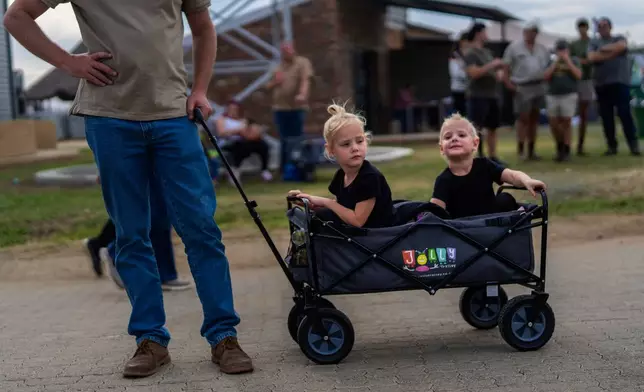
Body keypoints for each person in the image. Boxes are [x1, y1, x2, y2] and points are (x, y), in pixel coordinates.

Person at [4, 0, 253, 378]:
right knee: (131, 234)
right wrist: (70, 63)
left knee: (202, 229)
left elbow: (203, 27)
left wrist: (200, 89)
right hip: (109, 119)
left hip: (174, 115)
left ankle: (224, 336)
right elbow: (16, 16)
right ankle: (150, 341)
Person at [288, 103, 394, 229]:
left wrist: (327, 202)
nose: (355, 148)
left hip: (380, 238)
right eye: (346, 144)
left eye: (359, 141)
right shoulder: (341, 176)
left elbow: (357, 221)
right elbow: (341, 211)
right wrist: (308, 202)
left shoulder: (370, 177)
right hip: (359, 239)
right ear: (331, 150)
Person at [430, 113, 547, 219]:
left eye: (461, 135)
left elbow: (511, 175)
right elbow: (434, 213)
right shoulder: (443, 180)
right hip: (464, 234)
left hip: (493, 230)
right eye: (448, 137)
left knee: (505, 199)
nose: (454, 139)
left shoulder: (484, 165)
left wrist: (527, 180)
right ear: (441, 149)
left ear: (475, 144)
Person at [588, 17, 640, 156]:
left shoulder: (619, 37)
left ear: (610, 27)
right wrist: (614, 53)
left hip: (620, 82)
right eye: (600, 26)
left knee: (625, 114)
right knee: (607, 117)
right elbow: (592, 57)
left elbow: (622, 46)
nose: (602, 28)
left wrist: (603, 50)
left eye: (605, 25)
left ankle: (633, 146)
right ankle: (612, 146)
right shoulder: (594, 42)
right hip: (602, 84)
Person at [502, 21, 551, 161]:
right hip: (522, 86)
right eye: (530, 31)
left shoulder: (542, 48)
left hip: (539, 85)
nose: (532, 34)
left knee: (534, 118)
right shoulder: (514, 47)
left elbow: (548, 66)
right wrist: (508, 83)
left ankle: (532, 149)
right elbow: (506, 66)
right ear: (525, 32)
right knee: (523, 118)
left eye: (535, 31)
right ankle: (521, 149)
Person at [265, 41, 314, 173]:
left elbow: (305, 80)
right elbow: (267, 87)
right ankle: (285, 168)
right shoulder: (278, 67)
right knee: (283, 139)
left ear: (293, 50)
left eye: (289, 50)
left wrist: (302, 95)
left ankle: (299, 166)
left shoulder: (302, 63)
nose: (287, 53)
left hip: (296, 108)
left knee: (297, 138)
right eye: (284, 51)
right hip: (280, 108)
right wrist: (276, 82)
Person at [463, 22, 505, 162]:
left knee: (493, 127)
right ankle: (477, 157)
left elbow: (493, 70)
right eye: (485, 32)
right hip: (477, 95)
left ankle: (493, 157)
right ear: (478, 33)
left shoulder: (487, 52)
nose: (487, 35)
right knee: (476, 129)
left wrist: (499, 71)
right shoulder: (470, 53)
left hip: (492, 94)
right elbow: (473, 73)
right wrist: (492, 65)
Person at [214, 100, 272, 184]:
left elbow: (247, 133)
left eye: (235, 109)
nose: (234, 111)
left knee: (262, 144)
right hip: (227, 143)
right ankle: (235, 169)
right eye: (232, 109)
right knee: (241, 146)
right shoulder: (222, 119)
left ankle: (264, 170)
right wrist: (237, 131)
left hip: (244, 141)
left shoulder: (243, 120)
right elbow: (221, 133)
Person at [544, 40, 583, 162]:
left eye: (564, 50)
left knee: (567, 121)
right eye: (559, 50)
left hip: (569, 94)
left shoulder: (574, 60)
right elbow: (545, 76)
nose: (562, 52)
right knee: (553, 122)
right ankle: (559, 144)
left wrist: (568, 61)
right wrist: (555, 63)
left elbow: (578, 75)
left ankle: (566, 149)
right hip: (553, 95)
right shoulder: (551, 61)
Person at [569, 18, 594, 156]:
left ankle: (580, 144)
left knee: (584, 114)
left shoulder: (592, 42)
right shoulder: (574, 44)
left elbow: (591, 60)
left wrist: (582, 61)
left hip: (587, 80)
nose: (582, 29)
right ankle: (567, 145)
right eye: (580, 27)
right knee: (569, 114)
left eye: (584, 26)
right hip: (574, 81)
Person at [449, 32, 470, 117]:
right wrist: (468, 73)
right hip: (458, 89)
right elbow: (455, 73)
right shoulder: (455, 56)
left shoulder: (468, 55)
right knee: (461, 114)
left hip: (469, 89)